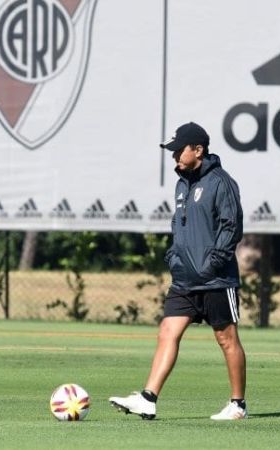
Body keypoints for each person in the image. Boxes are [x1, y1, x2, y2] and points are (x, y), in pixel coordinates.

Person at [109, 122, 247, 421]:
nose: (173, 157)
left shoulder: (221, 183)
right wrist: (174, 257)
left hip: (216, 278)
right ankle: (148, 398)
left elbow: (232, 226)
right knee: (167, 332)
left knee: (226, 339)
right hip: (184, 278)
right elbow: (178, 225)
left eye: (178, 151)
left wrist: (212, 262)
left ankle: (238, 405)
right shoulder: (182, 183)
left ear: (198, 150)